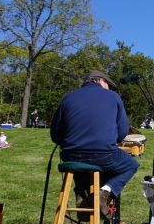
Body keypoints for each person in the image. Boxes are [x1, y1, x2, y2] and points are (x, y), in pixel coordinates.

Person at [50, 70, 139, 215]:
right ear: (100, 80)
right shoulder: (113, 97)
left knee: (82, 164)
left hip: (71, 155)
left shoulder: (68, 97)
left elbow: (55, 134)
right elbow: (122, 133)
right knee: (131, 164)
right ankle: (103, 193)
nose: (109, 89)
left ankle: (82, 194)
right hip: (103, 155)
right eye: (108, 85)